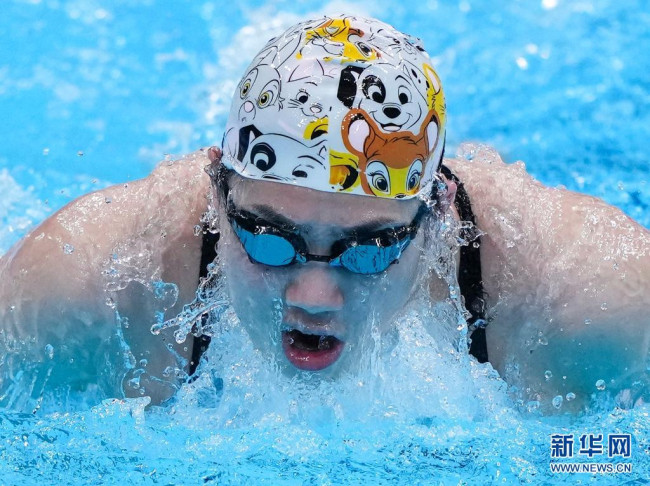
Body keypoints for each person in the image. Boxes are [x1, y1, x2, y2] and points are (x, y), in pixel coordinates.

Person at [0, 15, 648, 412]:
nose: (314, 296)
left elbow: (607, 456)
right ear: (214, 198)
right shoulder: (83, 294)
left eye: (369, 249)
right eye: (268, 240)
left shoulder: (588, 305)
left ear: (440, 212)